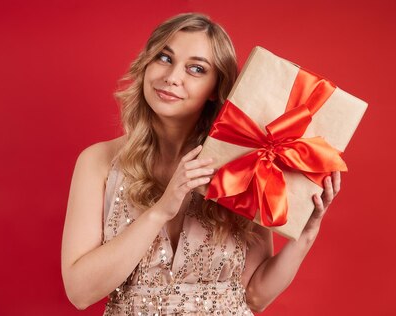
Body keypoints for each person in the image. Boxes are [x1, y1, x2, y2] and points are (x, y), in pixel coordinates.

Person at [61, 13, 341, 315]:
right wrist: (161, 211)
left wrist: (307, 233)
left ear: (215, 89)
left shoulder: (245, 163)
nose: (172, 77)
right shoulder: (98, 161)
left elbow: (256, 296)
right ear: (145, 65)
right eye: (164, 58)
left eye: (196, 68)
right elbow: (80, 292)